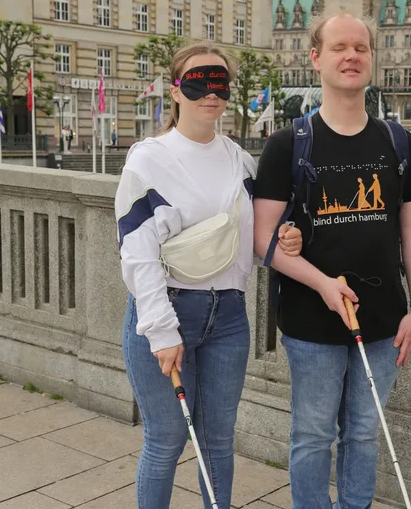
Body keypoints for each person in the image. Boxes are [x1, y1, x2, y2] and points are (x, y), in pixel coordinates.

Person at [253, 9, 411, 509]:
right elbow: (262, 238)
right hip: (312, 319)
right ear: (316, 58)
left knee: (362, 434)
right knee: (312, 435)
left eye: (361, 47)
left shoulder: (399, 143)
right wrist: (323, 284)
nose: (351, 56)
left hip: (383, 319)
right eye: (339, 47)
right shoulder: (287, 144)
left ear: (372, 59)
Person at [114, 43, 304, 509]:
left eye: (220, 82)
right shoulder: (148, 159)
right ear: (176, 90)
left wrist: (286, 238)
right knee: (166, 439)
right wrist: (161, 331)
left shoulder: (241, 160)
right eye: (198, 82)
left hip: (229, 317)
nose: (210, 93)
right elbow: (136, 252)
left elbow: (254, 238)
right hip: (168, 310)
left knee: (218, 440)